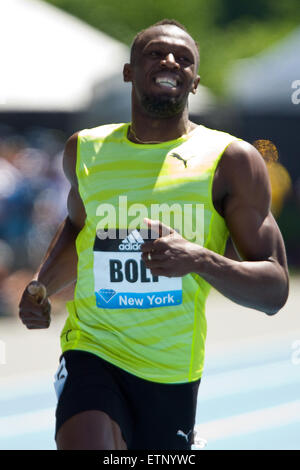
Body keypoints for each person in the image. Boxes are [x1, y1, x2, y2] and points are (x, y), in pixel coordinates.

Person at [19, 19, 289, 450]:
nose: (170, 61)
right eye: (156, 53)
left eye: (183, 58)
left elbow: (274, 289)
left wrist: (199, 259)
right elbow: (78, 227)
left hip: (170, 370)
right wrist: (41, 286)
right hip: (93, 347)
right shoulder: (85, 150)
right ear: (129, 71)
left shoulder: (230, 160)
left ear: (195, 82)